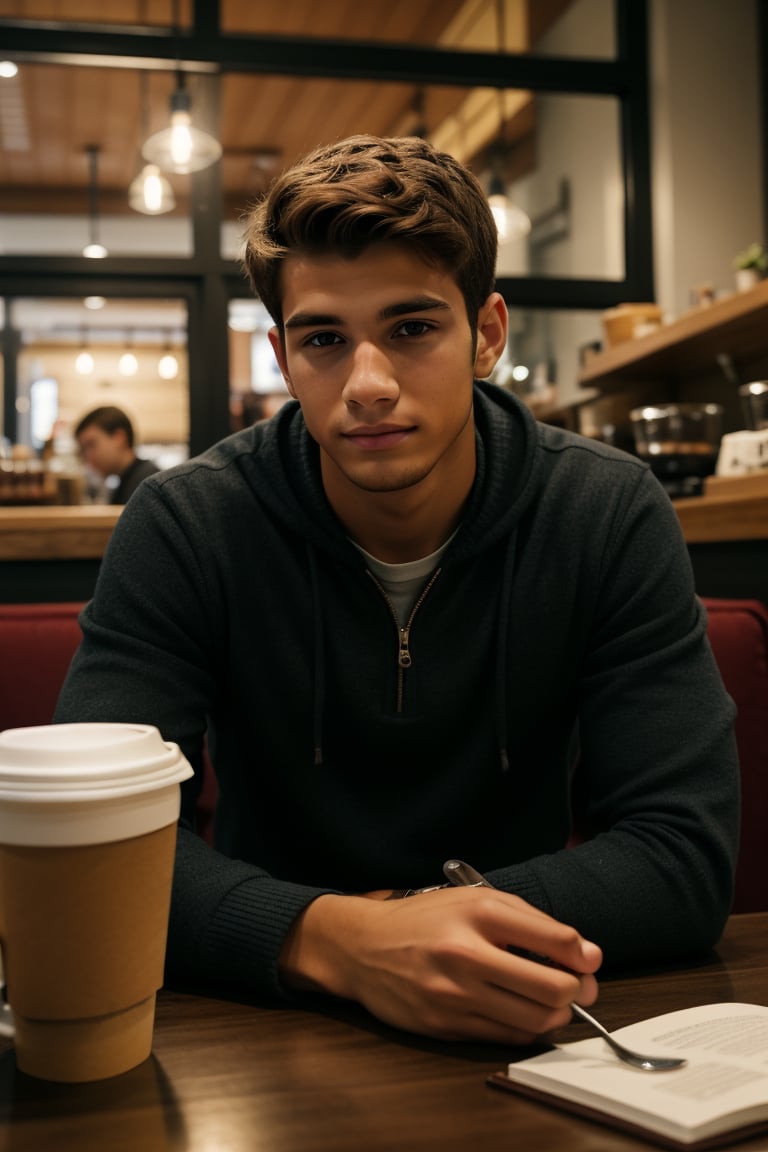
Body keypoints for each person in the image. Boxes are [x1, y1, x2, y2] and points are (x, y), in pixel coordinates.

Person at [55, 135, 739, 1045]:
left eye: (412, 328)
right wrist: (336, 941)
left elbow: (682, 855)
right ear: (282, 355)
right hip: (264, 1033)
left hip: (532, 1020)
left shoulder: (603, 511)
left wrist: (403, 926)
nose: (367, 384)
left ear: (486, 332)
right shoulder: (188, 524)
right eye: (325, 340)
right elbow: (95, 849)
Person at [74, 405, 159, 504]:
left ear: (119, 438)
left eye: (91, 444)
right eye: (83, 450)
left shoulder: (148, 484)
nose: (86, 456)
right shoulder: (127, 482)